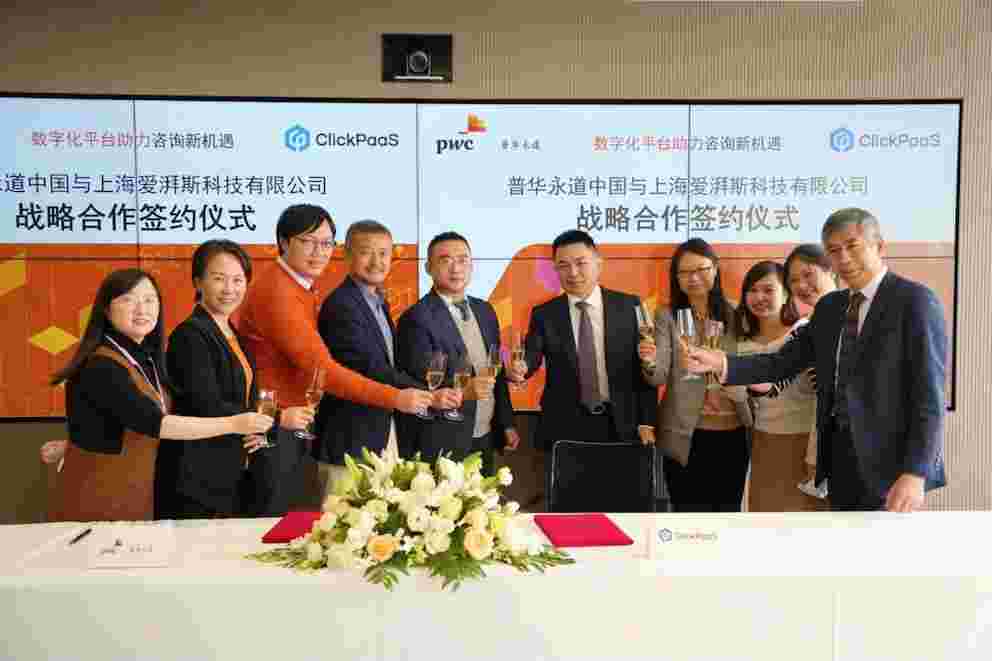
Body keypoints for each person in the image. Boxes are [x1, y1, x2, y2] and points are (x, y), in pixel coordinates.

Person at [687, 208, 947, 512]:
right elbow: (779, 364)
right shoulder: (830, 307)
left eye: (852, 246)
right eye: (834, 251)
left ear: (879, 246)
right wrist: (720, 362)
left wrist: (916, 472)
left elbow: (929, 396)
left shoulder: (914, 301)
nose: (844, 258)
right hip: (839, 462)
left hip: (891, 467)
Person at [234, 204, 432, 515]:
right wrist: (397, 397)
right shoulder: (279, 292)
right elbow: (324, 371)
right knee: (266, 523)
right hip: (274, 423)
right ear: (284, 242)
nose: (319, 252)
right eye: (308, 241)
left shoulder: (299, 286)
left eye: (326, 243)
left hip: (290, 420)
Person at [49, 269, 272, 522]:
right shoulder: (101, 365)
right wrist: (235, 423)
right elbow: (155, 422)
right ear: (106, 309)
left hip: (137, 492)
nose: (141, 309)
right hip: (101, 495)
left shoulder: (147, 358)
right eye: (128, 299)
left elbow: (117, 420)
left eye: (149, 300)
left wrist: (72, 443)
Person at [159, 240, 311, 519]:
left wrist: (260, 427)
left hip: (228, 469)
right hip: (195, 475)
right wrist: (278, 418)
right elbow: (207, 405)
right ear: (198, 282)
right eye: (219, 279)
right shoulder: (190, 335)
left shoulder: (231, 333)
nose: (229, 289)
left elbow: (241, 399)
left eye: (238, 280)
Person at [507, 230, 655, 500]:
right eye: (563, 265)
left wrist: (647, 420)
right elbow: (531, 356)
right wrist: (520, 368)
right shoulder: (545, 314)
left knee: (624, 505)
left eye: (580, 263)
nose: (572, 272)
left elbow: (644, 368)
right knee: (571, 507)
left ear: (598, 263)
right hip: (567, 426)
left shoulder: (629, 306)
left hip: (622, 423)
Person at [314, 221, 460, 496]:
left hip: (379, 432)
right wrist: (429, 396)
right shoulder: (342, 305)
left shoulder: (377, 301)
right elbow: (371, 368)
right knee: (343, 518)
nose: (376, 262)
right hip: (349, 438)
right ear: (347, 255)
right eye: (366, 252)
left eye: (383, 253)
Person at [637, 238, 752, 512]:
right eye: (685, 272)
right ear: (676, 278)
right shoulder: (666, 316)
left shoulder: (738, 313)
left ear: (715, 270)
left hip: (732, 433)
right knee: (687, 516)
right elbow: (658, 377)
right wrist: (649, 361)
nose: (694, 278)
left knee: (727, 513)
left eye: (701, 269)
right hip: (683, 434)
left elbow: (750, 367)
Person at [395, 231, 519, 475]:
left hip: (485, 433)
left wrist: (506, 422)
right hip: (443, 437)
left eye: (463, 260)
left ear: (472, 266)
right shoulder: (416, 318)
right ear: (429, 268)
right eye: (445, 260)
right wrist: (463, 391)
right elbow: (421, 382)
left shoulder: (485, 310)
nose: (456, 268)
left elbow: (495, 370)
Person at [734, 260, 823, 512]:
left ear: (786, 294)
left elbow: (823, 395)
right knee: (763, 519)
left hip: (802, 444)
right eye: (752, 290)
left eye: (768, 290)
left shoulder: (803, 333)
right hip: (763, 442)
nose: (759, 297)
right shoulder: (741, 341)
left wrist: (816, 454)